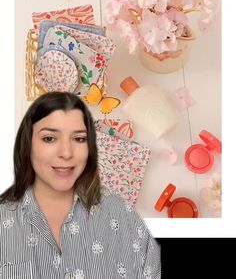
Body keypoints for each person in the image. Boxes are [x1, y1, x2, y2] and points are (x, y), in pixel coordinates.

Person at [0, 92, 161, 279]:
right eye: (49, 138)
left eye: (79, 139)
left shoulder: (122, 214)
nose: (67, 153)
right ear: (27, 144)